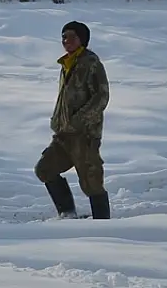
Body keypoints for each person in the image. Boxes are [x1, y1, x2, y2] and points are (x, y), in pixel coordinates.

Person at [35, 20, 111, 219]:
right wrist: (58, 121)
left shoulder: (91, 63)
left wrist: (80, 121)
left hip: (84, 135)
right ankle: (67, 214)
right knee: (45, 169)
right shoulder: (67, 63)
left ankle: (104, 225)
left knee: (91, 182)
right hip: (64, 134)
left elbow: (101, 97)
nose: (66, 40)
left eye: (71, 36)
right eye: (63, 37)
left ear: (82, 40)